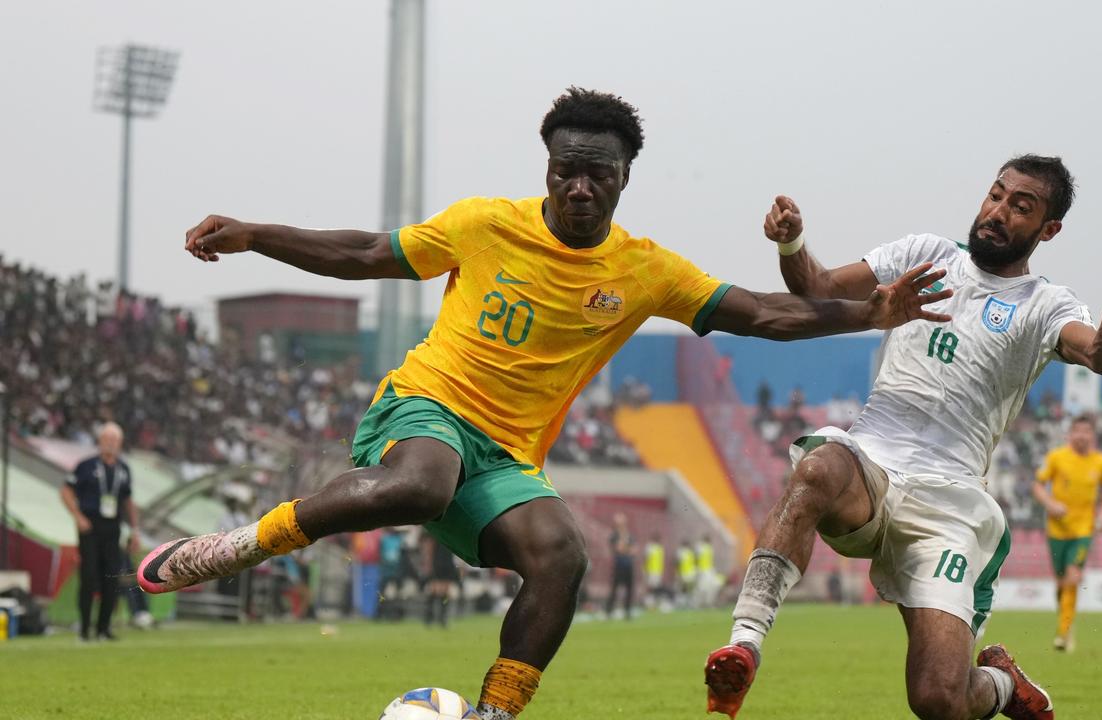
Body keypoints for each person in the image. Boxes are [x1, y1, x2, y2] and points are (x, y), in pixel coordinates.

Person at [137, 87, 949, 720]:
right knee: (424, 482)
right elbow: (362, 253)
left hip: (504, 457)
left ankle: (493, 712)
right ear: (547, 168)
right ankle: (242, 544)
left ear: (626, 178)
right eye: (567, 169)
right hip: (424, 407)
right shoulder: (484, 224)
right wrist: (254, 233)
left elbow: (766, 314)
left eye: (600, 173)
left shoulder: (647, 271)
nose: (581, 187)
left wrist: (869, 312)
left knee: (563, 555)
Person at [705, 155, 1102, 720]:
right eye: (996, 195)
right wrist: (791, 243)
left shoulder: (1044, 305)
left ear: (1048, 230)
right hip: (871, 464)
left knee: (939, 698)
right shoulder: (926, 254)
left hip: (949, 500)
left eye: (1020, 207)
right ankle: (744, 645)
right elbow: (819, 287)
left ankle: (1001, 687)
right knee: (818, 467)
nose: (998, 212)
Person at [1031, 414, 1102, 652]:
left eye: (1086, 431)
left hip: (1083, 530)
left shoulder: (1101, 462)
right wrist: (1050, 504)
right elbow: (1037, 484)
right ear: (1070, 434)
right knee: (1060, 583)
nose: (1082, 435)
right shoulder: (1056, 457)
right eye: (1077, 431)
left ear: (1092, 435)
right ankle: (1065, 621)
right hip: (1056, 530)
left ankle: (1063, 633)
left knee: (1073, 577)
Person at [60, 422, 140, 641]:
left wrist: (135, 530)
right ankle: (85, 629)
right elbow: (66, 492)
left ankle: (103, 629)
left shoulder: (123, 470)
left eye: (115, 440)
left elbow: (128, 501)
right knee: (88, 577)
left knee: (111, 578)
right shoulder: (85, 466)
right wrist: (78, 516)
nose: (111, 444)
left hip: (113, 527)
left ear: (120, 443)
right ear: (100, 441)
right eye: (107, 439)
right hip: (90, 526)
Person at [604, 514, 635, 620]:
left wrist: (627, 549)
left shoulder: (629, 535)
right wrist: (628, 549)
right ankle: (609, 611)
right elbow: (619, 548)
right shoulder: (614, 535)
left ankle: (627, 611)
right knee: (615, 588)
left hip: (629, 565)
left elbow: (633, 550)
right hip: (619, 565)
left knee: (629, 588)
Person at [425, 537, 461, 627]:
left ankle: (441, 618)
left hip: (447, 563)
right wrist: (429, 563)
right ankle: (431, 617)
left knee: (444, 592)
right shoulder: (437, 535)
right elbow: (430, 547)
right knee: (435, 591)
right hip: (438, 562)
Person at [643, 533, 667, 608]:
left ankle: (655, 603)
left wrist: (661, 571)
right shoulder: (650, 547)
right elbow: (646, 558)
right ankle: (648, 602)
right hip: (650, 570)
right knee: (650, 587)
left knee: (656, 587)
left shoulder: (660, 548)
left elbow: (661, 560)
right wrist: (645, 570)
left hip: (658, 571)